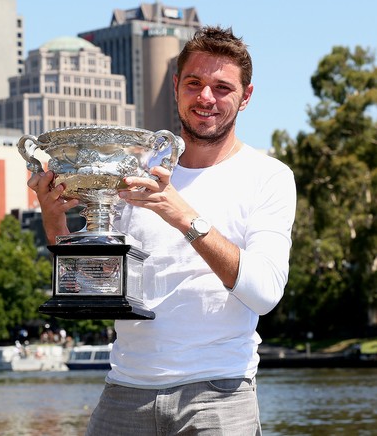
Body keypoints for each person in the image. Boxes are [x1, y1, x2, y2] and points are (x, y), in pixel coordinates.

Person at [27, 26, 296, 435]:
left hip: (219, 395)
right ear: (176, 86)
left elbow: (265, 294)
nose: (206, 97)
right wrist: (54, 221)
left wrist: (184, 217)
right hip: (125, 391)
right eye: (195, 83)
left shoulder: (268, 177)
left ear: (246, 97)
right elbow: (88, 287)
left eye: (223, 87)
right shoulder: (128, 169)